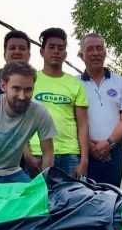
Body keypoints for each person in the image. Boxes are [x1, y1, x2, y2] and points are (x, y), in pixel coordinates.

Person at [25, 27, 89, 178]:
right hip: (37, 153)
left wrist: (84, 159)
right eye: (51, 47)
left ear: (65, 54)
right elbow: (20, 119)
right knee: (39, 201)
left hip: (69, 155)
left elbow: (83, 124)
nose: (56, 51)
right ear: (42, 51)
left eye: (60, 48)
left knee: (71, 201)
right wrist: (27, 154)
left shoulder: (75, 84)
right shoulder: (30, 80)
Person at [78, 33, 122, 186]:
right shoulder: (74, 83)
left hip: (114, 152)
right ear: (81, 55)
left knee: (111, 199)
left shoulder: (120, 82)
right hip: (83, 152)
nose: (95, 53)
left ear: (105, 52)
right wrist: (89, 146)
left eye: (99, 48)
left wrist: (108, 143)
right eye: (90, 49)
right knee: (85, 199)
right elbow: (71, 120)